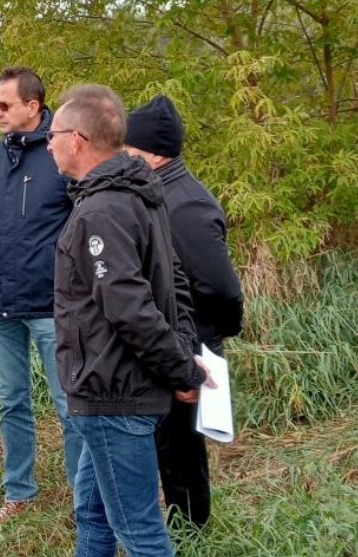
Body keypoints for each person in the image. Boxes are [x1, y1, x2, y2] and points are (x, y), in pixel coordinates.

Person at [46, 85, 213, 557]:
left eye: (53, 134)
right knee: (95, 518)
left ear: (77, 139)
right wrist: (181, 358)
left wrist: (182, 368)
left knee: (138, 530)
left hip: (114, 393)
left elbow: (131, 308)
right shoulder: (138, 193)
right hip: (115, 391)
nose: (48, 144)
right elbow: (173, 283)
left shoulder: (103, 210)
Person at [0, 66, 83, 525]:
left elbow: (86, 226)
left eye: (4, 104)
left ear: (33, 106)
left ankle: (84, 500)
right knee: (11, 401)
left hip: (54, 306)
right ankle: (19, 492)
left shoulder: (63, 154)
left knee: (70, 405)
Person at [124, 94, 245, 529]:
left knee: (182, 452)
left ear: (155, 154)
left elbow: (220, 288)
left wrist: (213, 335)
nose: (122, 155)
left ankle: (191, 534)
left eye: (129, 148)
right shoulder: (158, 192)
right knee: (168, 445)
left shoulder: (186, 205)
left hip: (189, 342)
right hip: (169, 339)